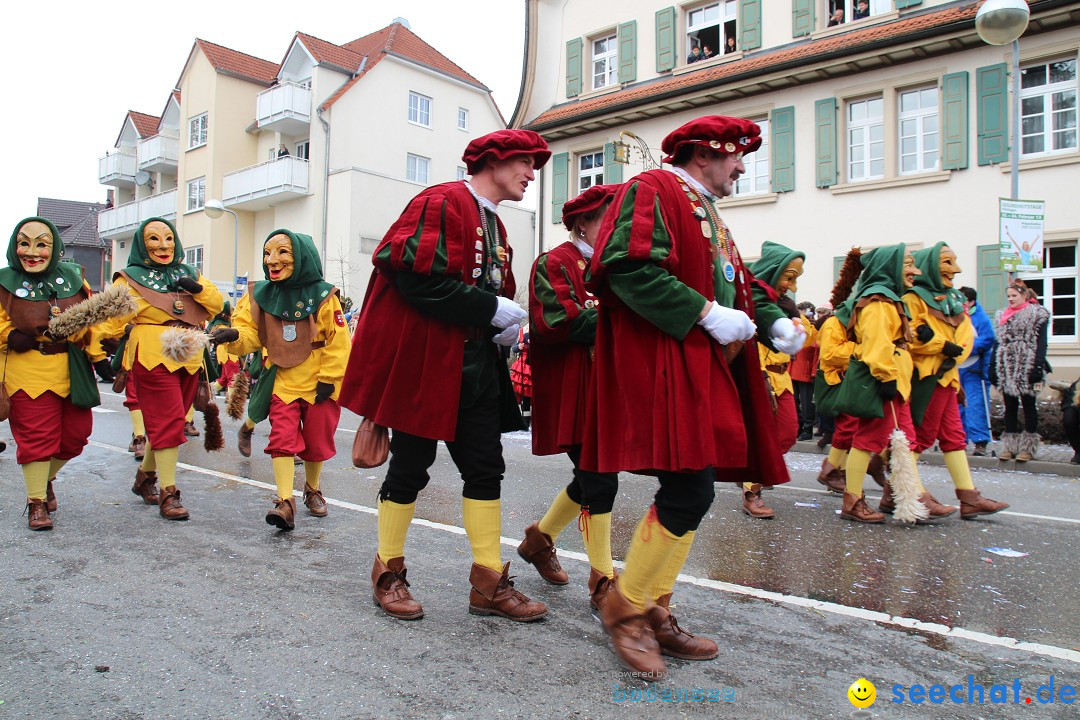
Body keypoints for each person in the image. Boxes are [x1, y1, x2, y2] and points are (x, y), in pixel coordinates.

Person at [583, 116, 795, 678]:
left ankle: (651, 605)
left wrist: (770, 322)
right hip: (662, 362)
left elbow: (736, 283)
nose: (743, 167)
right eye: (736, 156)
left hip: (697, 365)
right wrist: (703, 312)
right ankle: (627, 607)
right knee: (690, 485)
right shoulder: (653, 189)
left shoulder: (708, 210)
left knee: (695, 486)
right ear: (706, 154)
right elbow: (625, 267)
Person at [339, 129, 551, 622]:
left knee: (486, 469)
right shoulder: (442, 200)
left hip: (475, 368)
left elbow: (479, 293)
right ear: (494, 160)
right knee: (410, 468)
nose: (531, 173)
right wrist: (487, 308)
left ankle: (489, 583)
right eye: (525, 162)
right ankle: (387, 572)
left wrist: (495, 326)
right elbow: (413, 276)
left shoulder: (495, 224)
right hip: (427, 365)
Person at [516, 184, 621, 613]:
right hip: (574, 389)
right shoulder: (554, 262)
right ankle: (603, 578)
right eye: (607, 219)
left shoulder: (616, 265)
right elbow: (555, 321)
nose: (616, 228)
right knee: (600, 480)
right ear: (582, 223)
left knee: (590, 478)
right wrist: (620, 318)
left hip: (609, 388)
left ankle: (539, 540)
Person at [213, 230, 349, 531]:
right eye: (267, 253)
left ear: (301, 257)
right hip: (282, 380)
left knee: (315, 443)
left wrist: (328, 377)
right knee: (282, 441)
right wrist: (234, 337)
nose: (272, 260)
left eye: (282, 252)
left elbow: (339, 341)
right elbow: (250, 333)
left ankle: (312, 489)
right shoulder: (259, 294)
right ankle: (285, 501)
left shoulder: (325, 295)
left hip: (318, 382)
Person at [108, 217, 224, 520]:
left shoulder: (188, 271)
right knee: (171, 422)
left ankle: (145, 477)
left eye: (168, 238)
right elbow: (110, 319)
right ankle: (168, 492)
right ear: (141, 245)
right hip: (151, 355)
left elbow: (216, 303)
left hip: (188, 357)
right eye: (154, 239)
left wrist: (195, 288)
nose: (163, 245)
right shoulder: (128, 278)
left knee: (166, 424)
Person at [0, 217, 104, 530]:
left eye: (42, 243)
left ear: (54, 247)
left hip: (70, 370)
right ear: (14, 246)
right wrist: (9, 335)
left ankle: (44, 479)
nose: (32, 251)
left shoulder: (74, 279)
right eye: (25, 243)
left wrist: (99, 353)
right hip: (27, 370)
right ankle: (36, 502)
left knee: (76, 436)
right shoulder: (3, 281)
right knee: (36, 439)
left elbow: (91, 318)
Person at [903, 243, 1006, 520]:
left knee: (954, 437)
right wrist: (941, 345)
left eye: (955, 262)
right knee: (920, 438)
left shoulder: (953, 299)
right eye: (948, 262)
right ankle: (911, 493)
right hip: (925, 377)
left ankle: (969, 496)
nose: (956, 269)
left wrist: (950, 349)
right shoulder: (913, 298)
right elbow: (910, 336)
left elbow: (966, 336)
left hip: (948, 377)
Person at [833, 244, 929, 523]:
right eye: (907, 265)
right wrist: (886, 377)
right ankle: (853, 499)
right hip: (884, 381)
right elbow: (877, 345)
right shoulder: (878, 302)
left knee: (906, 441)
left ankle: (910, 498)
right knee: (867, 440)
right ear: (890, 268)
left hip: (896, 383)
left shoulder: (888, 300)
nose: (915, 271)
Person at [745, 241, 814, 518]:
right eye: (789, 278)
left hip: (783, 381)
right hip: (762, 379)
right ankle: (751, 492)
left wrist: (795, 316)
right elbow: (750, 342)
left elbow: (808, 341)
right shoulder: (750, 302)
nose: (793, 287)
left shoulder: (785, 304)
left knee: (786, 433)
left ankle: (758, 474)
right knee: (761, 439)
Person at [991, 281, 1050, 462]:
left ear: (1024, 296)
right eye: (1008, 296)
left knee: (1029, 405)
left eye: (1014, 296)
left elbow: (1041, 343)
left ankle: (1027, 448)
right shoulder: (1002, 315)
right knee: (1010, 406)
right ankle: (1009, 447)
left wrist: (1037, 367)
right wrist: (992, 365)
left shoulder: (1037, 314)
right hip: (1007, 365)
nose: (1010, 299)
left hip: (1027, 363)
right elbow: (998, 342)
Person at [958, 286, 995, 456]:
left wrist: (965, 349)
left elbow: (987, 339)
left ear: (971, 302)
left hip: (975, 369)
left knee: (976, 405)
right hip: (957, 368)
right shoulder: (955, 315)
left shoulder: (981, 317)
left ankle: (980, 441)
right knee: (958, 406)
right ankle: (959, 440)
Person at [791, 301, 819, 442]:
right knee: (795, 401)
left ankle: (807, 428)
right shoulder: (798, 327)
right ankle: (799, 426)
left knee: (806, 402)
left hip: (805, 371)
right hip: (794, 370)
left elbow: (814, 353)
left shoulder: (812, 330)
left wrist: (814, 372)